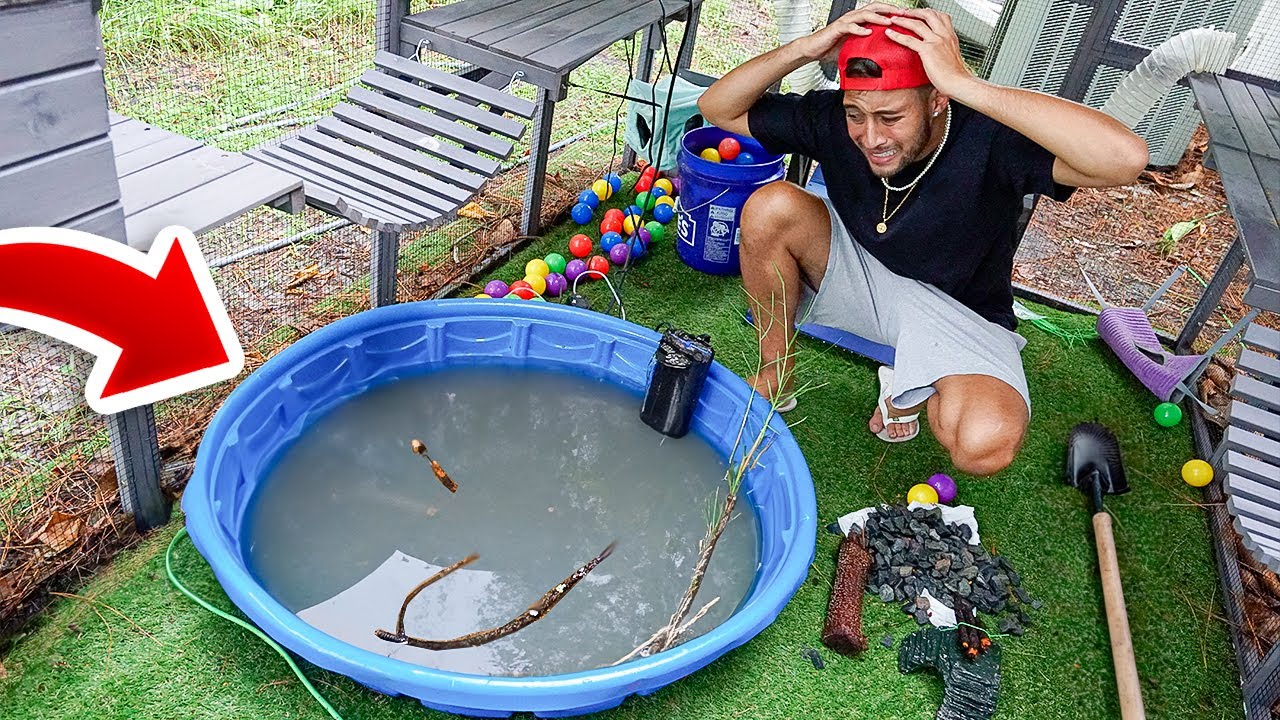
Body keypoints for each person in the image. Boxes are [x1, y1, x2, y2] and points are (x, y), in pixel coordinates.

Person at [697, 3, 1148, 476]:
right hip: (862, 274)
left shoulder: (990, 136)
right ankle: (775, 372)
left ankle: (911, 380)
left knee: (982, 446)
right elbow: (718, 108)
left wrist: (965, 84)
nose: (870, 137)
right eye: (857, 114)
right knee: (771, 207)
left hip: (958, 312)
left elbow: (1124, 159)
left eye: (891, 117)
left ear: (936, 100)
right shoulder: (834, 119)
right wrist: (808, 47)